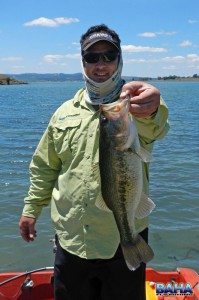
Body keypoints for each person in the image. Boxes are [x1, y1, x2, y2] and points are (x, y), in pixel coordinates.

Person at [19, 24, 169, 300]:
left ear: (120, 59)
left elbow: (155, 127)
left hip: (121, 238)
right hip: (72, 239)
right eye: (92, 57)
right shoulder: (63, 113)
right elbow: (45, 166)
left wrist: (152, 109)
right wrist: (31, 209)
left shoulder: (135, 106)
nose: (101, 64)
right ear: (82, 62)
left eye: (109, 56)